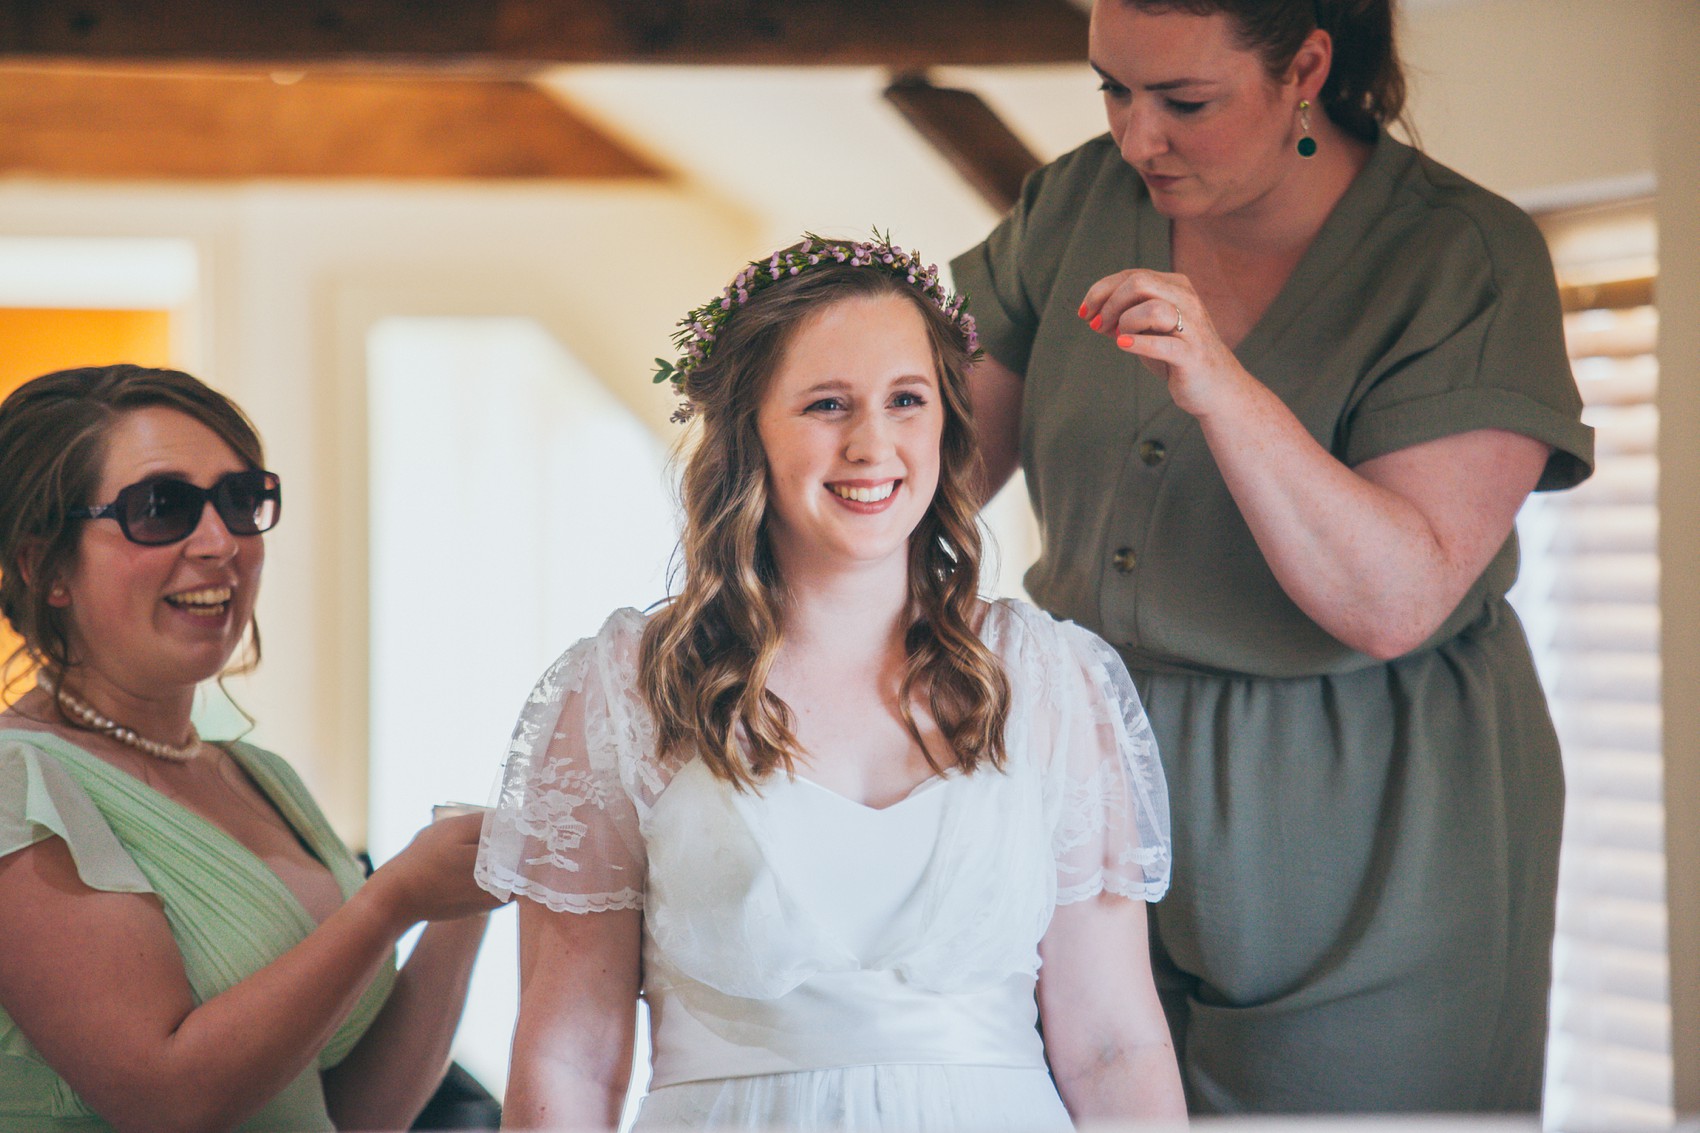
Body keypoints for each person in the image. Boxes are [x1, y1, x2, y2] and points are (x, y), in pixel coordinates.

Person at [950, 0, 1595, 1116]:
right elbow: (920, 472)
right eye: (1111, 87)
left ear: (1304, 66)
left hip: (1370, 817)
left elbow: (1395, 595)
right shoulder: (1074, 202)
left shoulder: (1463, 256)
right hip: (1087, 783)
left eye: (1183, 102)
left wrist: (1219, 385)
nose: (1134, 136)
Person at [476, 235, 1186, 1130]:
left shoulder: (1050, 678)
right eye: (825, 404)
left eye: (905, 400)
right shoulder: (626, 686)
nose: (871, 443)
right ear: (748, 432)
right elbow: (568, 1057)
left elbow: (1114, 1043)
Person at [0, 364, 499, 1132]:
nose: (221, 541)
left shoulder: (260, 775)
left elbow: (357, 1114)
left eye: (240, 500)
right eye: (160, 507)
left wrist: (463, 901)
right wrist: (389, 901)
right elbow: (168, 1097)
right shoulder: (16, 780)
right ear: (45, 567)